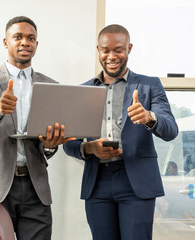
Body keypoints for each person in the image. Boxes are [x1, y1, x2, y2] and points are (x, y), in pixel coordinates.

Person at [0, 16, 74, 240]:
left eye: (31, 38)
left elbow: (47, 144)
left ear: (36, 45)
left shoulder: (51, 86)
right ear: (6, 42)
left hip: (35, 187)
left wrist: (51, 146)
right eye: (18, 37)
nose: (25, 42)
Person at [63, 24, 178, 240]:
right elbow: (69, 143)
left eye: (119, 50)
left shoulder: (149, 85)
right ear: (98, 49)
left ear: (129, 49)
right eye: (106, 50)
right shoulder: (82, 90)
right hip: (97, 182)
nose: (112, 56)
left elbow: (171, 130)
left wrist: (149, 118)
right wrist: (89, 147)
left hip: (136, 182)